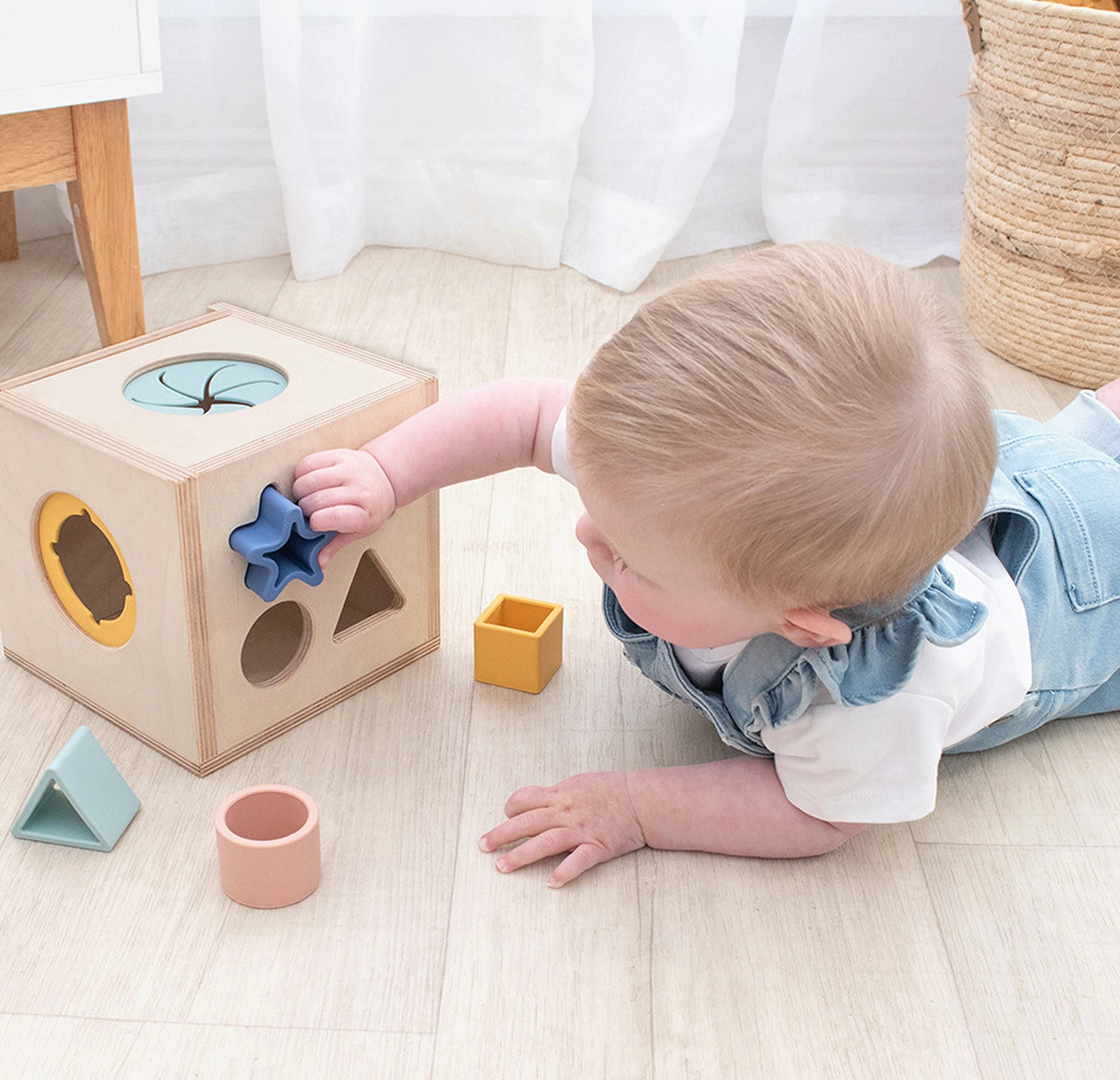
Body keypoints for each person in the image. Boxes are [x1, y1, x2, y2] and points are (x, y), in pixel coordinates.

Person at [293, 243, 1120, 888]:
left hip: (1079, 603)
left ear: (800, 623)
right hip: (1014, 476)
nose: (587, 531)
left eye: (631, 562)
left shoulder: (868, 705)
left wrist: (639, 808)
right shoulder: (668, 472)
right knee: (1078, 452)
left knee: (1097, 499)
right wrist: (388, 473)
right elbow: (525, 414)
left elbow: (818, 817)